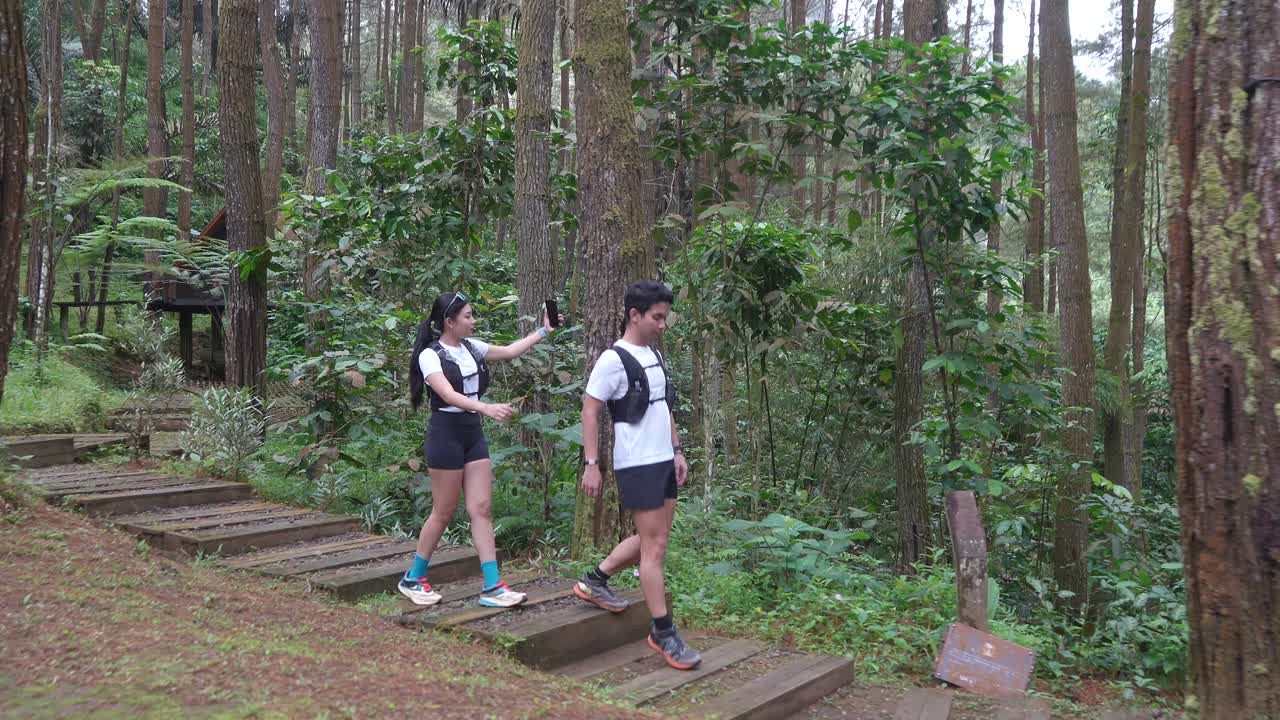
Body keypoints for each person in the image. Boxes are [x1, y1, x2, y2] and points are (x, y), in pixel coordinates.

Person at [400, 291, 559, 608]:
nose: (473, 321)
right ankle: (413, 578)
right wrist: (486, 408)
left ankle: (492, 586)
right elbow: (447, 394)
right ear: (450, 322)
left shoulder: (472, 347)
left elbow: (510, 351)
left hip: (472, 434)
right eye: (468, 316)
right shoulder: (431, 355)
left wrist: (544, 330)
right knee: (443, 511)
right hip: (445, 434)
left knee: (482, 508)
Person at [573, 280, 702, 670]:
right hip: (637, 461)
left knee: (655, 538)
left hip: (663, 458)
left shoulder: (655, 355)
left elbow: (663, 406)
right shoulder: (613, 360)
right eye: (656, 317)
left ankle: (595, 579)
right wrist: (592, 464)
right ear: (634, 314)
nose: (662, 325)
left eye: (665, 317)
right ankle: (662, 631)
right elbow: (590, 410)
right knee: (654, 546)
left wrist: (677, 451)